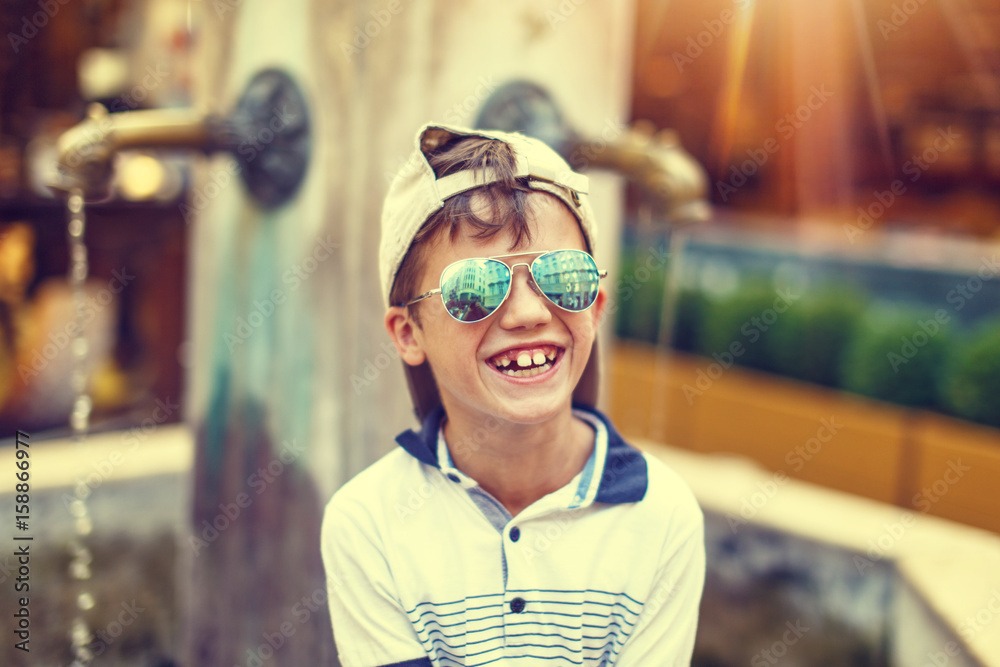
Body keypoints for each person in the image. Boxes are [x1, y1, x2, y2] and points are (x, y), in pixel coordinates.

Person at [321, 123, 705, 666]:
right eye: (475, 288)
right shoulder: (369, 524)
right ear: (409, 333)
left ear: (595, 306)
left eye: (564, 276)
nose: (529, 314)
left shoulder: (661, 517)